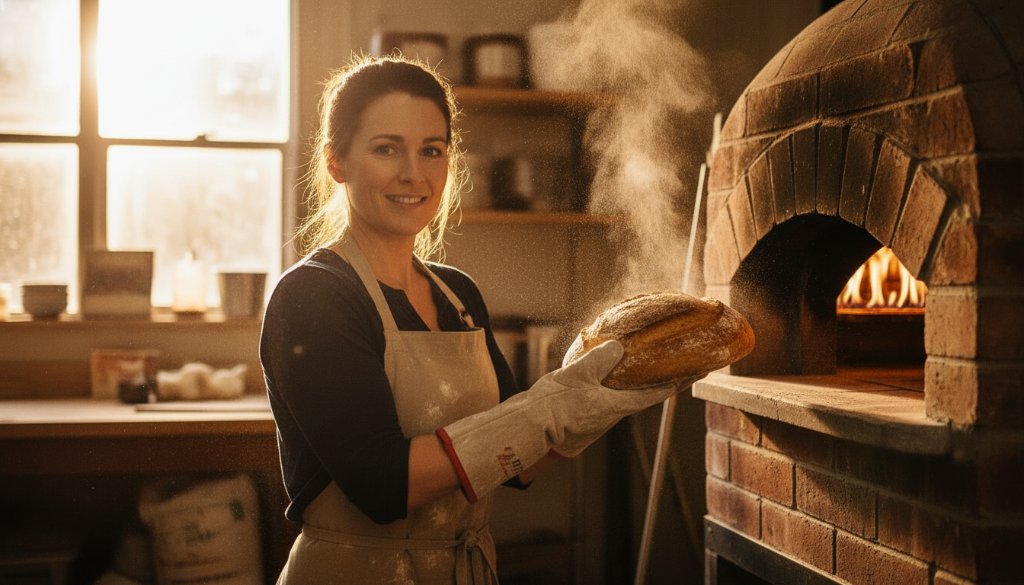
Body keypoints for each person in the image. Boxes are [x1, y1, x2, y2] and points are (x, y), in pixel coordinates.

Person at [260, 54, 696, 584]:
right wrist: (550, 407)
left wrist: (595, 405)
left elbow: (515, 465)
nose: (413, 173)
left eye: (432, 150)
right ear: (337, 162)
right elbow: (382, 485)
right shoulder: (313, 296)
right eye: (386, 149)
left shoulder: (457, 295)